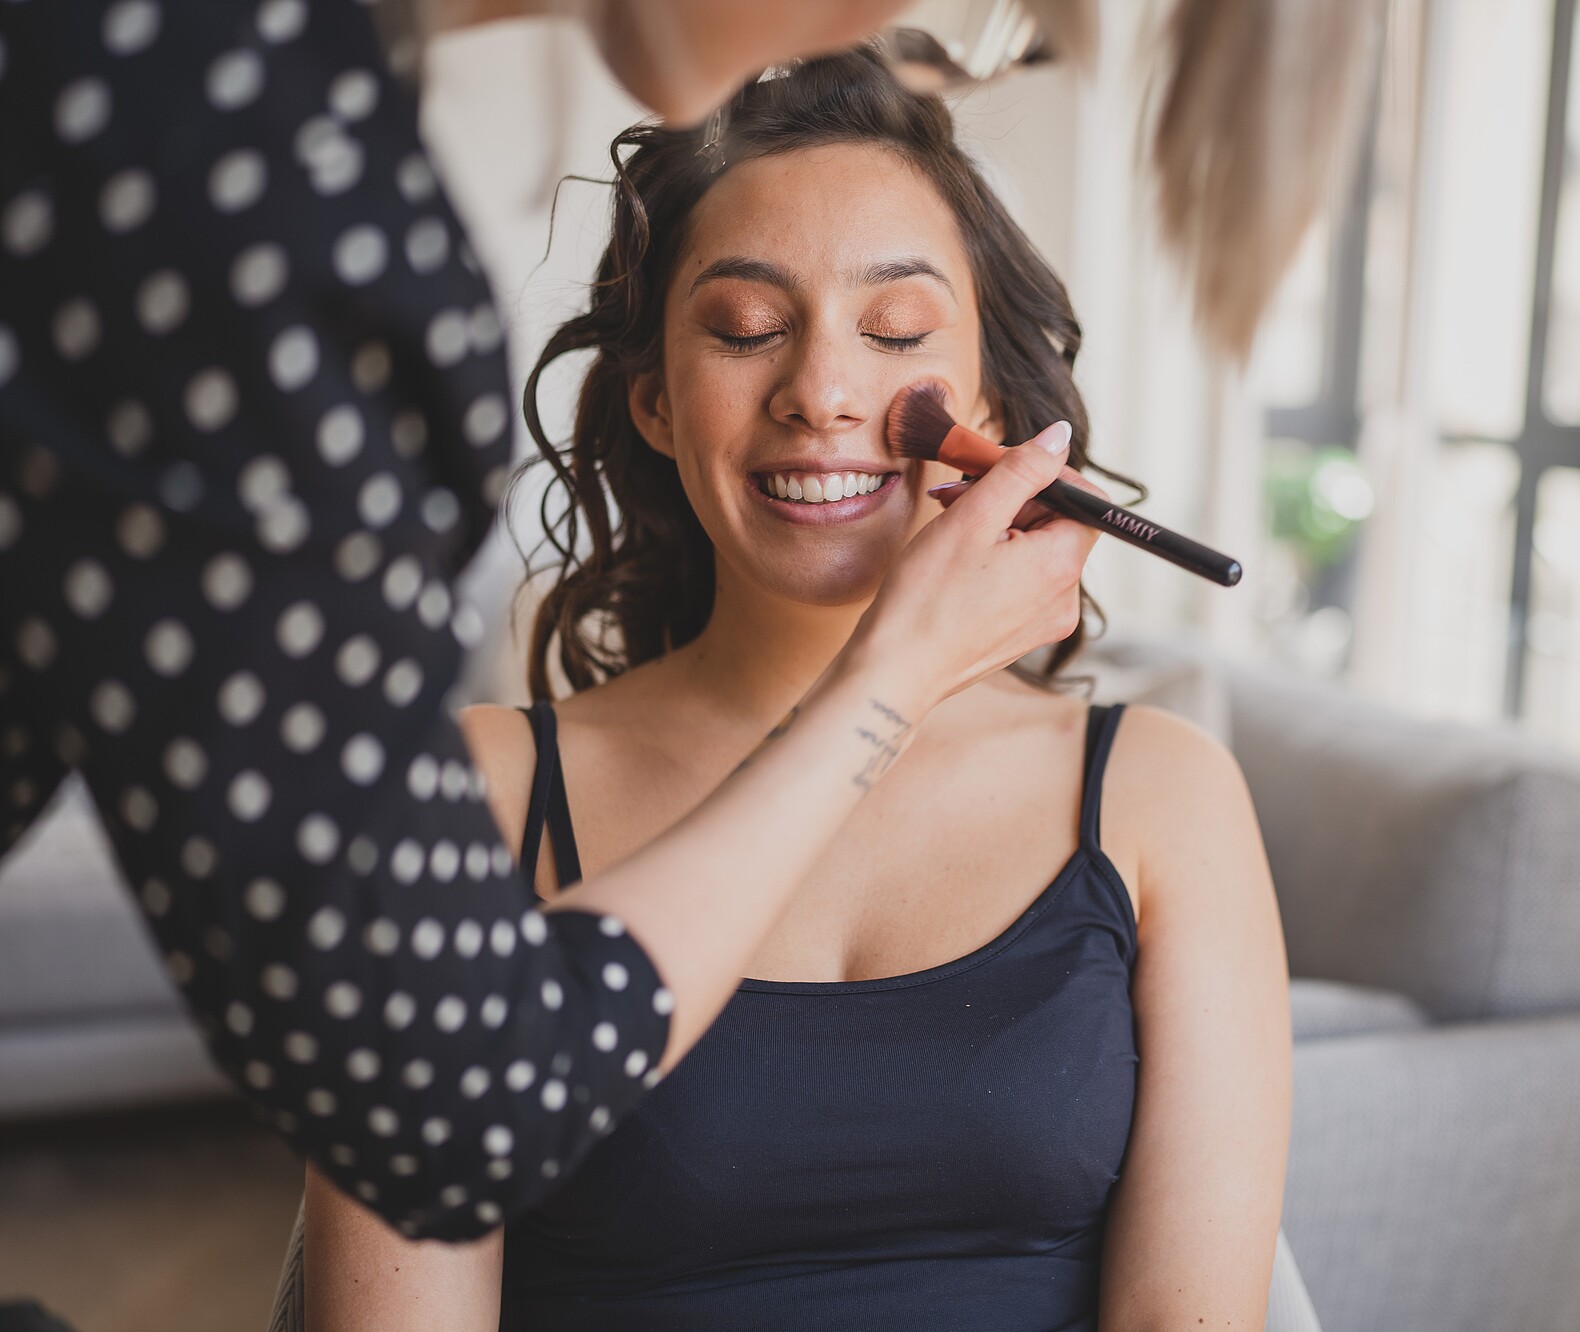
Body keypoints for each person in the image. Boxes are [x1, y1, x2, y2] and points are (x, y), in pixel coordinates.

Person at [303, 46, 1291, 1330]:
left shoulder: (1158, 798)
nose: (823, 392)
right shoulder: (480, 797)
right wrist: (891, 674)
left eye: (894, 333)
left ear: (988, 397)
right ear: (655, 401)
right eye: (746, 329)